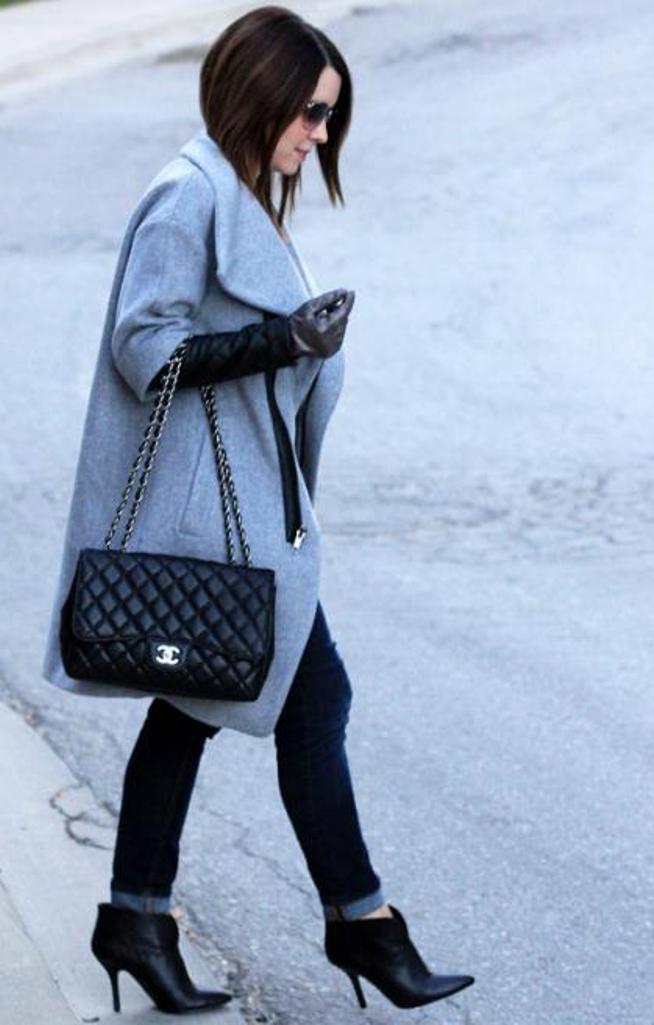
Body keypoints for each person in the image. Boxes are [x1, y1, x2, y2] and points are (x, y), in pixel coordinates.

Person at [42, 5, 474, 1015]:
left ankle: (140, 919)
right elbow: (145, 348)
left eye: (329, 117)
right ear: (261, 94)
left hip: (241, 513)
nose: (319, 134)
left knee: (196, 710)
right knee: (311, 703)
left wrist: (293, 341)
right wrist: (283, 342)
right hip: (211, 520)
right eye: (312, 112)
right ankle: (361, 923)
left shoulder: (233, 193)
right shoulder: (189, 195)